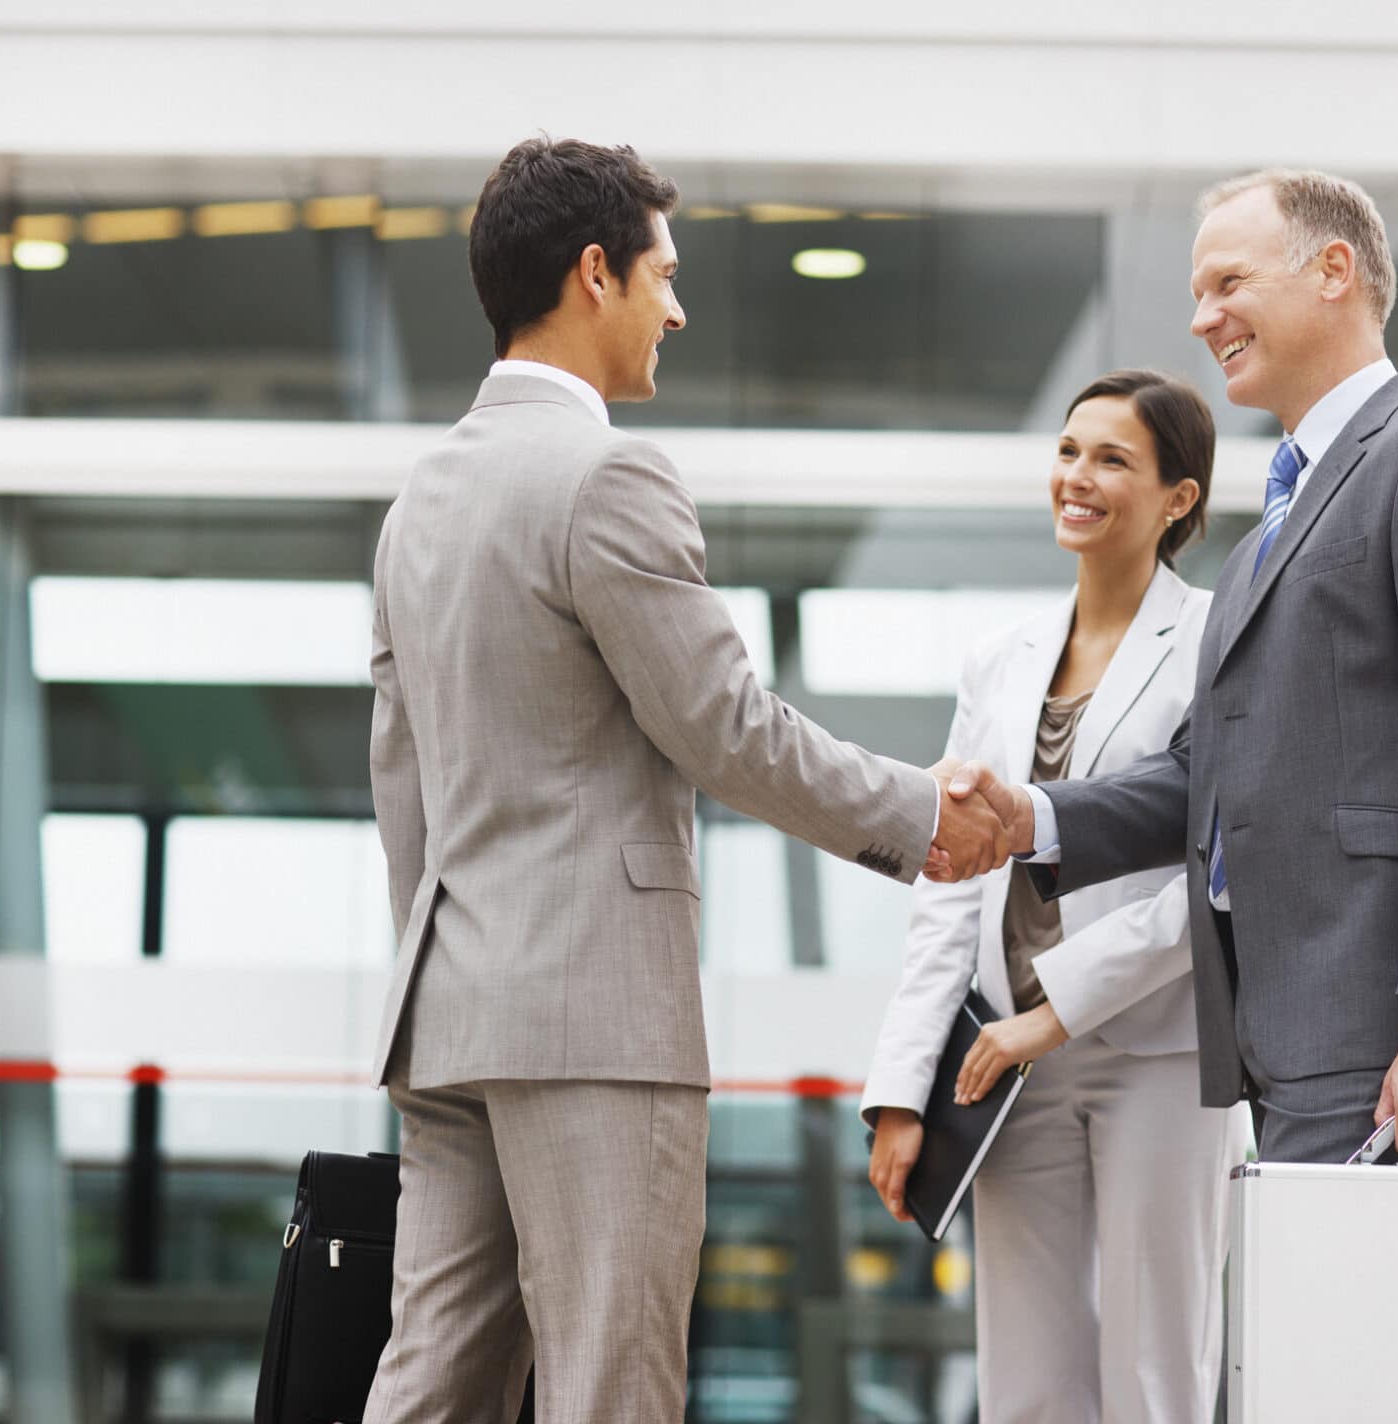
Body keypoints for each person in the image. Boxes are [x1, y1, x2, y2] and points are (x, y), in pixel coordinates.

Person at [361, 137, 1016, 1424]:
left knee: (432, 1380)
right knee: (611, 1382)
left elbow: (404, 778)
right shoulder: (606, 474)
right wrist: (921, 814)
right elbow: (720, 723)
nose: (677, 306)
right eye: (663, 274)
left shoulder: (420, 497)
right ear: (592, 273)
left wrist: (445, 959)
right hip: (593, 1011)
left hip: (448, 1006)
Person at [942, 168, 1398, 1167]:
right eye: (1197, 292)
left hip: (1378, 1023)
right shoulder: (1267, 530)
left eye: (1226, 282)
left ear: (1331, 270)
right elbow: (1213, 778)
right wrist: (1033, 818)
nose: (1200, 318)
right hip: (1280, 1035)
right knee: (1315, 1324)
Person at [863, 370, 1254, 1422]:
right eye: (1069, 451)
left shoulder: (1220, 644)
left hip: (1155, 1051)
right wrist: (904, 1087)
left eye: (1112, 458)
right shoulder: (1001, 659)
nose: (1076, 476)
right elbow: (948, 883)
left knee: (1152, 1376)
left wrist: (1059, 1006)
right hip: (999, 1059)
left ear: (1178, 498)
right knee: (1026, 1382)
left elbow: (1219, 865)